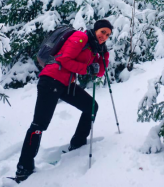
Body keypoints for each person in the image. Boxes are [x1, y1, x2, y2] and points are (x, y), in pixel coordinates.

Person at [15, 19, 113, 182]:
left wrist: (104, 53)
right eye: (103, 31)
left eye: (108, 35)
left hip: (65, 83)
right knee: (39, 124)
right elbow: (63, 59)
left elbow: (100, 72)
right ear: (95, 29)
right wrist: (86, 68)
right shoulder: (80, 38)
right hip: (51, 80)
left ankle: (77, 144)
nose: (104, 36)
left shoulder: (93, 48)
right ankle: (23, 168)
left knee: (91, 107)